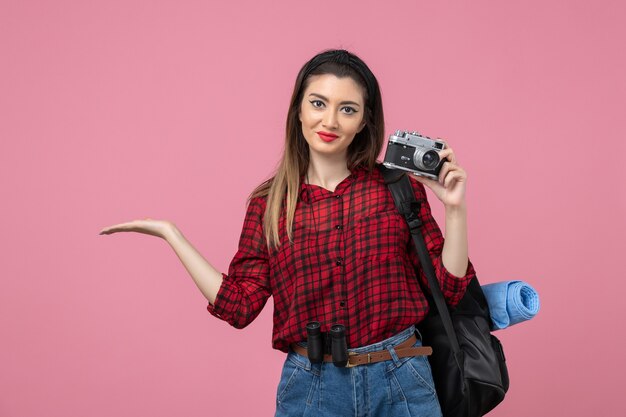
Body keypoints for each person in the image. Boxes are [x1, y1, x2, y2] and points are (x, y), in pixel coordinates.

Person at [99, 48, 476, 417]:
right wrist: (172, 235)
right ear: (298, 109)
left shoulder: (396, 187)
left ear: (363, 121)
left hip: (402, 379)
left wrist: (455, 209)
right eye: (318, 103)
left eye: (347, 109)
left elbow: (448, 288)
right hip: (313, 389)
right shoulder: (269, 205)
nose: (329, 121)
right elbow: (240, 306)